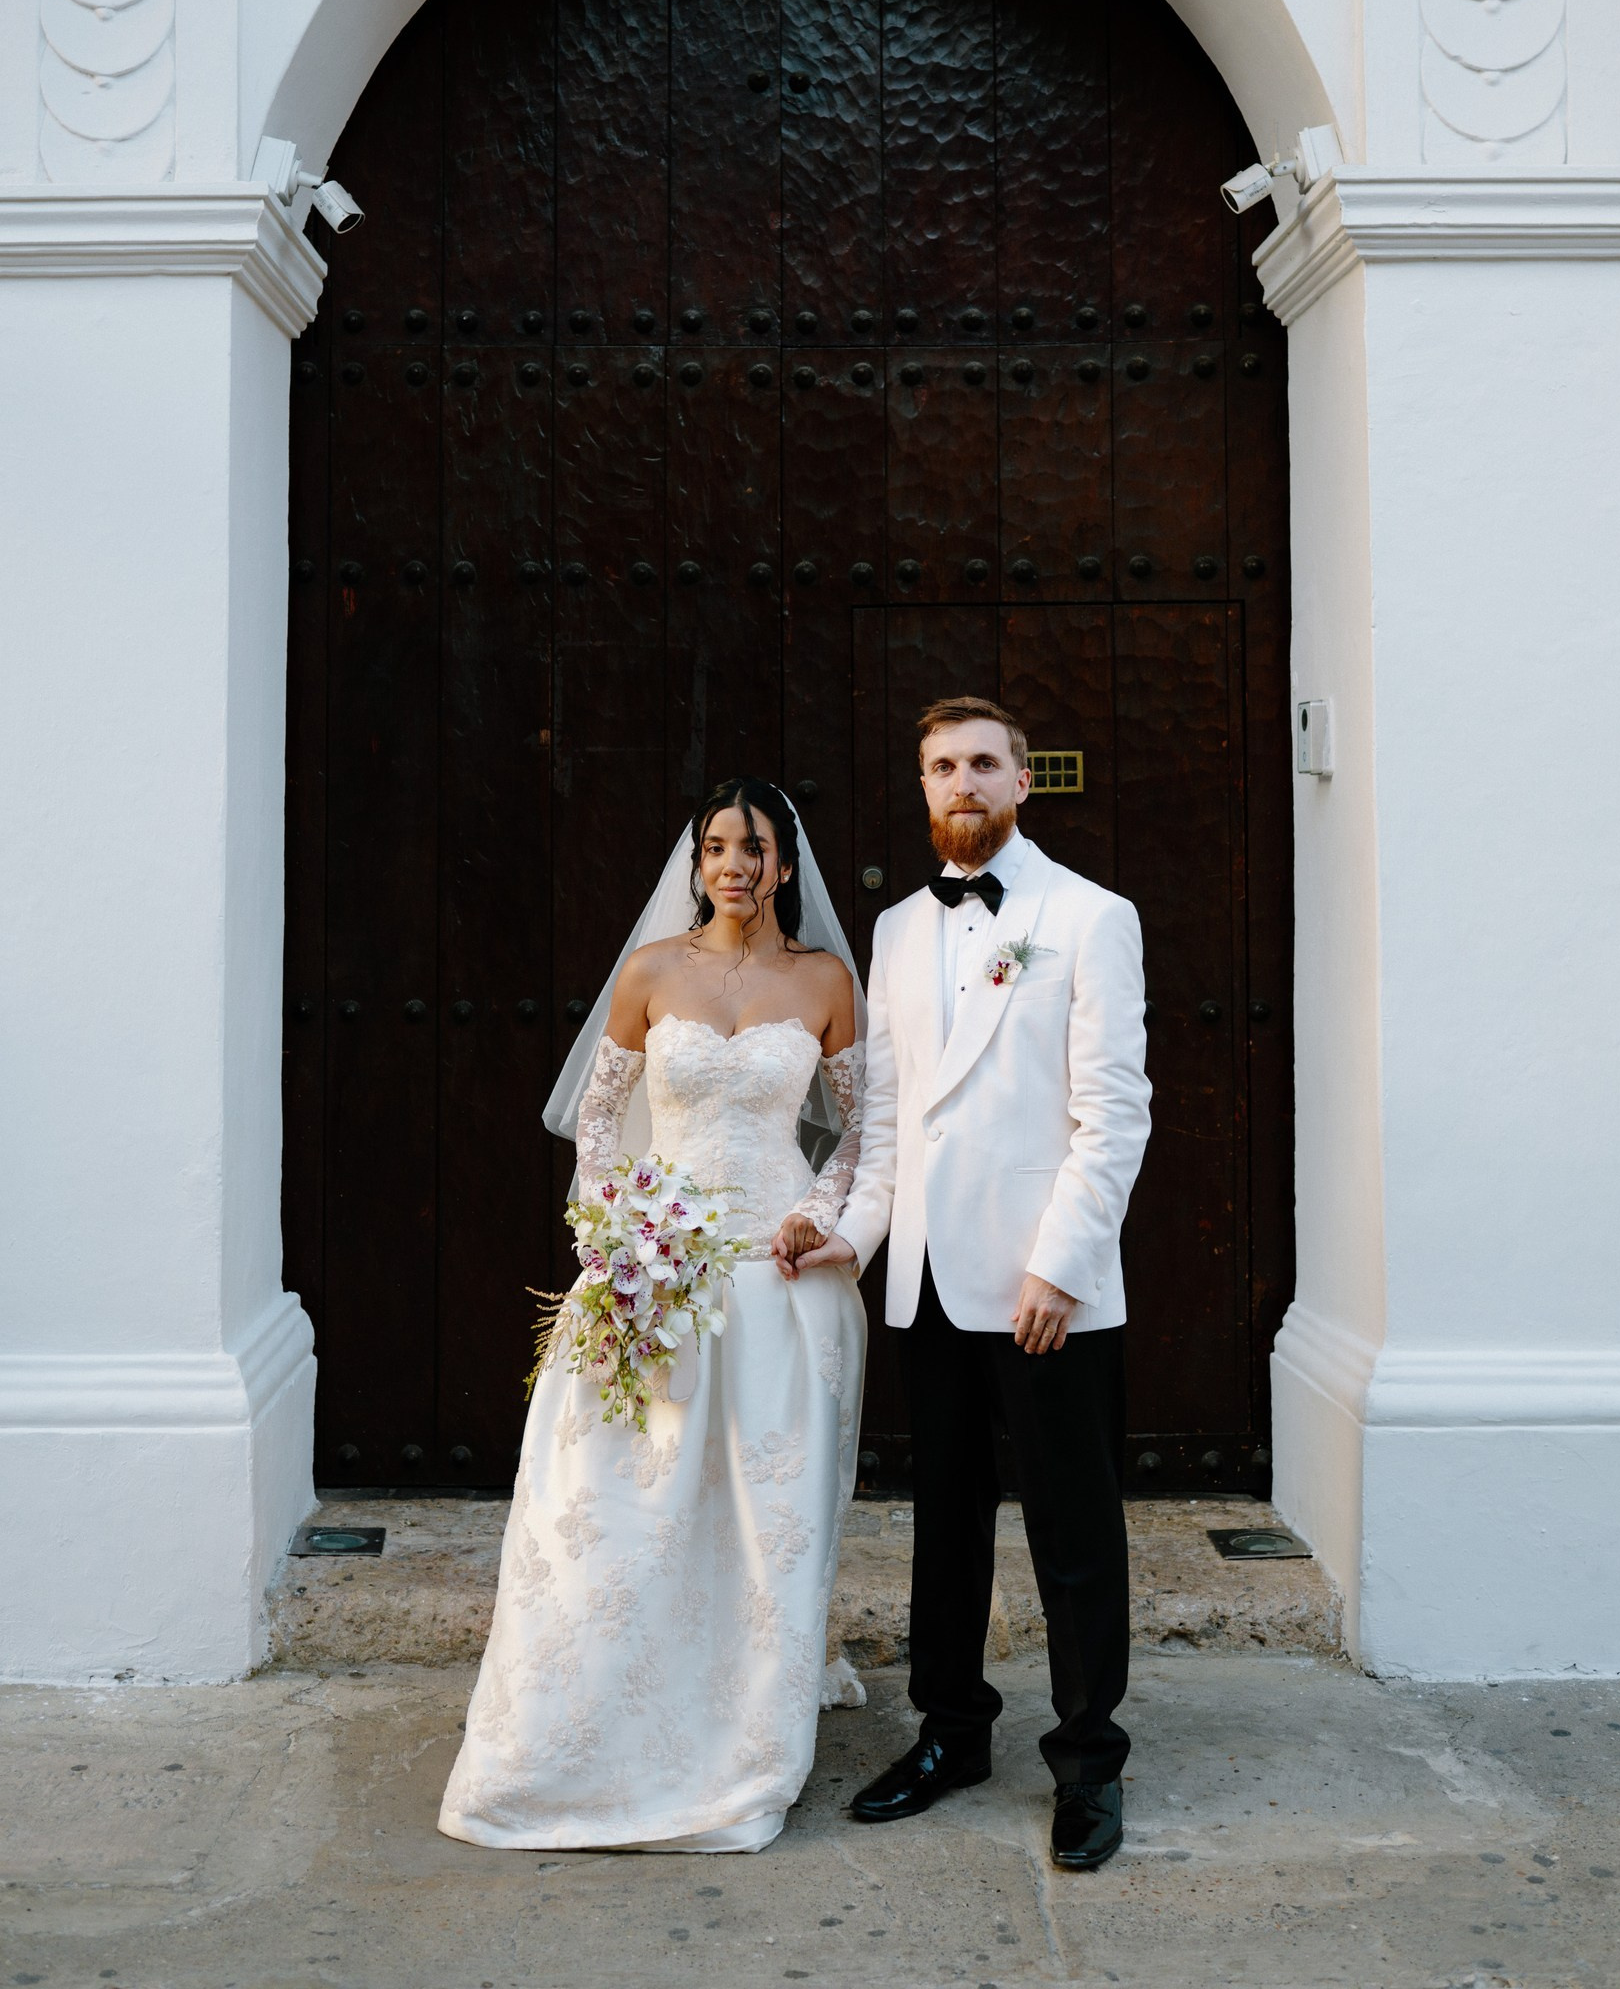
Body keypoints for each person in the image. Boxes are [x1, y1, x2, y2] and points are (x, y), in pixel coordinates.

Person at [438, 779, 867, 1854]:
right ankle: (585, 1722)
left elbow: (861, 1133)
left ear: (784, 865)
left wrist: (817, 1213)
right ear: (697, 862)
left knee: (764, 1511)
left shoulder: (824, 982)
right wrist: (617, 1240)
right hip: (656, 1268)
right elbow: (598, 1121)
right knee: (618, 1498)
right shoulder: (650, 971)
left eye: (754, 848)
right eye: (716, 847)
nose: (734, 866)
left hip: (779, 1278)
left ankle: (743, 1725)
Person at [798, 696, 1151, 1872]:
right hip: (932, 1281)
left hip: (1046, 1287)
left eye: (984, 763)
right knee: (945, 1528)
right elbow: (891, 1113)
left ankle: (1089, 1762)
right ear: (924, 784)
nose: (964, 782)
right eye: (943, 765)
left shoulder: (1090, 916)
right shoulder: (898, 927)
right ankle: (951, 1734)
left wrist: (1062, 1263)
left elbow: (1114, 1114)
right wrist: (856, 1234)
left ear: (1021, 781)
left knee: (1073, 1530)